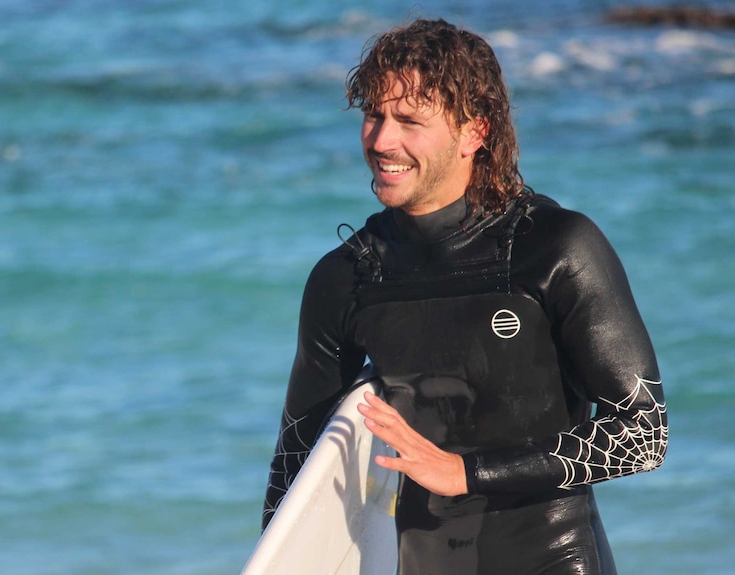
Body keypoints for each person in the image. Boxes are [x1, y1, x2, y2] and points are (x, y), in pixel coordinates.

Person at [262, 18, 668, 575]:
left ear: (474, 131)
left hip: (553, 560)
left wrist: (466, 473)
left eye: (408, 120)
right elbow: (295, 465)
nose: (382, 140)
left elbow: (644, 434)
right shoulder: (348, 277)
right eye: (373, 115)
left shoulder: (553, 247)